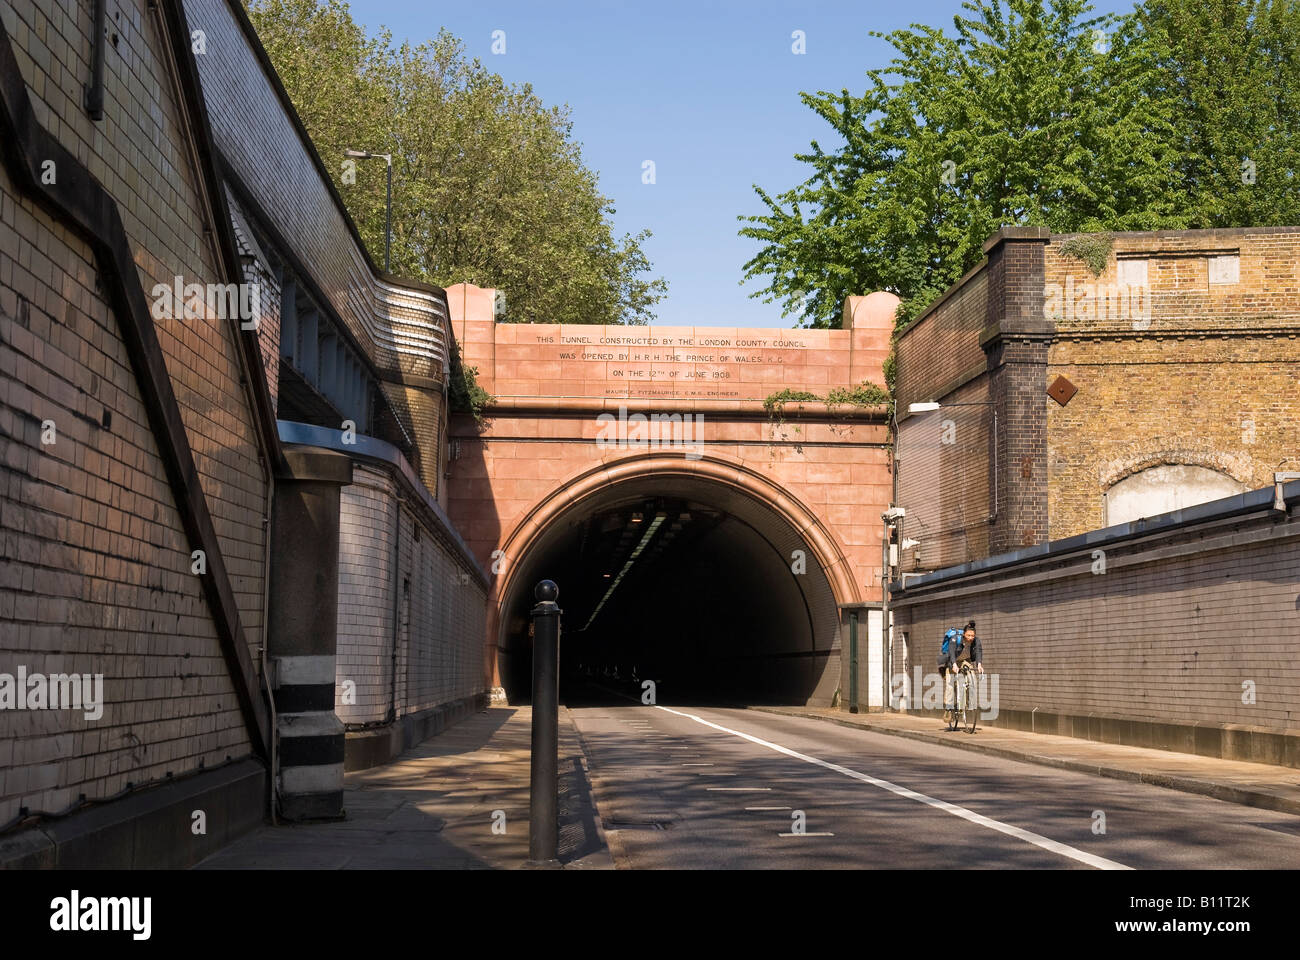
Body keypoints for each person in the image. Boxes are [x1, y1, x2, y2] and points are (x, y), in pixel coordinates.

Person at [951, 621, 984, 723]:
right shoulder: (956, 639)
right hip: (955, 661)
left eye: (972, 636)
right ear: (964, 634)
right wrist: (953, 664)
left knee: (972, 679)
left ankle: (970, 704)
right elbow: (951, 652)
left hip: (966, 661)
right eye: (968, 635)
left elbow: (978, 651)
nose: (970, 638)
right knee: (954, 683)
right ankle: (951, 707)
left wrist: (979, 665)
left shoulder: (976, 641)